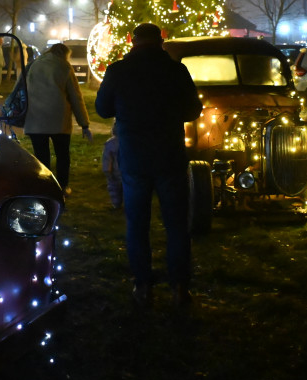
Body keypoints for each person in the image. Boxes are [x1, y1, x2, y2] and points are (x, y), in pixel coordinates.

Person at [95, 23, 202, 308]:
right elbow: (193, 110)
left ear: (133, 41)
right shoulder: (176, 70)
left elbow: (103, 109)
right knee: (176, 225)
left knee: (137, 224)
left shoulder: (118, 71)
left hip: (135, 157)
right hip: (169, 155)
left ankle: (143, 285)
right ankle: (179, 287)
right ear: (161, 41)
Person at [25, 42, 93, 194]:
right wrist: (84, 124)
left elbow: (21, 87)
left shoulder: (34, 65)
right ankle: (62, 186)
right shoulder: (64, 66)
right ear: (65, 54)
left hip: (36, 118)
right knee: (62, 154)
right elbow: (76, 96)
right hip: (59, 119)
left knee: (41, 156)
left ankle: (44, 186)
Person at [101, 124, 123, 209]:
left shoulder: (110, 144)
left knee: (114, 188)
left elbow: (107, 159)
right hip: (128, 172)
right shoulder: (129, 142)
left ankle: (116, 203)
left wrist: (107, 170)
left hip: (114, 172)